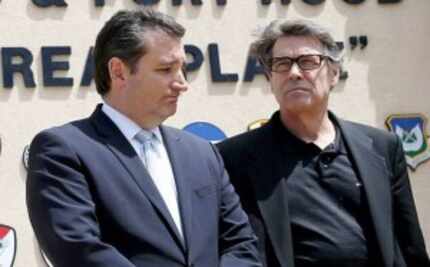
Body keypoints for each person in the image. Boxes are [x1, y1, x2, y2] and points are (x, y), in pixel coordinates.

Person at [26, 9, 261, 267]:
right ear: (119, 72)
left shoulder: (201, 153)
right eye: (166, 69)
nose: (182, 83)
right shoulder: (64, 150)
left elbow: (241, 244)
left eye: (183, 68)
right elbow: (80, 251)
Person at [217, 19, 430, 267]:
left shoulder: (382, 147)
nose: (294, 73)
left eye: (308, 62)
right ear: (269, 78)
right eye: (282, 64)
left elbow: (410, 246)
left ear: (334, 73)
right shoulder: (234, 158)